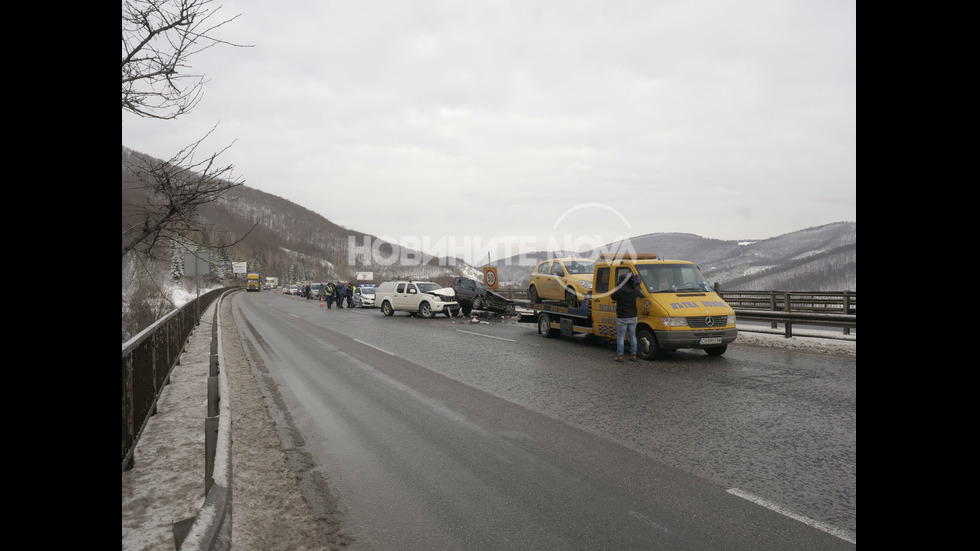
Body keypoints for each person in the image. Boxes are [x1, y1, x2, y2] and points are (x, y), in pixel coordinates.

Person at [611, 272, 640, 362]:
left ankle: (620, 356)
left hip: (622, 317)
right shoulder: (634, 290)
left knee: (621, 337)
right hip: (633, 316)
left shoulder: (620, 291)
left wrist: (617, 286)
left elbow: (612, 296)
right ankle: (634, 355)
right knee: (633, 336)